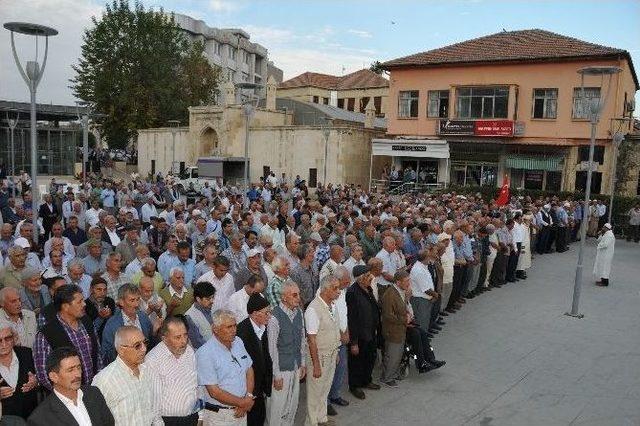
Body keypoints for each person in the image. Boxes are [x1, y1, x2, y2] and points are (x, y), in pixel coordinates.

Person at [34, 285, 102, 390]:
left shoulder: (87, 322)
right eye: (79, 302)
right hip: (67, 397)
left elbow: (97, 355)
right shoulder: (46, 334)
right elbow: (43, 373)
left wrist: (98, 384)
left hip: (92, 390)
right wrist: (66, 394)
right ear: (65, 306)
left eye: (83, 300)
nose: (84, 304)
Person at [195, 309, 255, 425]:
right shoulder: (205, 353)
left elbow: (249, 369)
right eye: (229, 327)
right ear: (215, 329)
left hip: (241, 411)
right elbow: (214, 392)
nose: (234, 330)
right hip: (219, 416)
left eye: (234, 326)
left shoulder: (238, 342)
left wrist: (248, 396)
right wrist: (242, 403)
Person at [27, 347, 114, 426]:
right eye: (70, 370)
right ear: (54, 377)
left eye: (79, 367)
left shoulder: (93, 393)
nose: (78, 374)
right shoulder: (40, 418)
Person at [92, 326, 154, 425]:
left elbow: (153, 411)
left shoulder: (148, 370)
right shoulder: (105, 380)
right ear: (121, 350)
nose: (144, 349)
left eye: (145, 342)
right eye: (137, 345)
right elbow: (96, 419)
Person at [146, 317, 199, 426]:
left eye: (185, 335)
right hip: (168, 421)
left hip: (192, 417)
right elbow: (153, 400)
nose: (184, 341)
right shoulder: (153, 360)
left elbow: (195, 385)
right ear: (164, 338)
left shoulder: (189, 351)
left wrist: (200, 416)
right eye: (178, 337)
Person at [267, 281, 306, 426]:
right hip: (281, 368)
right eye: (294, 295)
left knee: (292, 403)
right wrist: (276, 375)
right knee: (278, 406)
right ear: (284, 297)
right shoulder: (274, 317)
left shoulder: (299, 313)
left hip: (295, 365)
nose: (298, 298)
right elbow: (272, 349)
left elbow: (302, 339)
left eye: (299, 294)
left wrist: (303, 363)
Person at [305, 275, 341, 426]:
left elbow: (334, 329)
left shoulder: (332, 305)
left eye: (339, 287)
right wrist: (316, 364)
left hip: (331, 354)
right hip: (319, 357)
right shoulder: (313, 309)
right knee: (315, 393)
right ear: (325, 290)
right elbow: (311, 339)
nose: (338, 291)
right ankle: (311, 422)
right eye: (335, 288)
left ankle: (321, 418)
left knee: (325, 389)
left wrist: (337, 351)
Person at [236, 294, 273, 426]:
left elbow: (266, 356)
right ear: (255, 313)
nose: (269, 315)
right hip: (249, 390)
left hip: (260, 387)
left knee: (260, 418)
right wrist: (249, 393)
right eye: (266, 312)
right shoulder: (241, 332)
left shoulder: (263, 327)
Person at [346, 264, 381, 400]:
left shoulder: (368, 288)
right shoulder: (352, 293)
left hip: (370, 332)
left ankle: (366, 380)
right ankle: (355, 386)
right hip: (359, 335)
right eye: (367, 276)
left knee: (369, 358)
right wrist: (353, 342)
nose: (370, 278)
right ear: (360, 279)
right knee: (356, 362)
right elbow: (352, 319)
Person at [100, 283, 154, 364]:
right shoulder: (111, 325)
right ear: (121, 302)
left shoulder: (144, 317)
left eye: (138, 299)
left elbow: (150, 343)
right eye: (132, 300)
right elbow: (106, 354)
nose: (136, 304)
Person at [0, 320, 38, 419]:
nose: (3, 344)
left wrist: (36, 381)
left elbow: (47, 377)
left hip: (32, 419)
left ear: (14, 338)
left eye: (7, 338)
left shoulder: (28, 354)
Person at [380, 270, 410, 387]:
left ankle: (393, 374)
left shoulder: (400, 291)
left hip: (399, 329)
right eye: (406, 281)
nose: (408, 283)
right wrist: (404, 319)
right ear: (398, 282)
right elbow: (388, 315)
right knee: (392, 355)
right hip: (392, 331)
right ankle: (387, 378)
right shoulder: (390, 295)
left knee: (397, 354)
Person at [184, 281, 216, 349]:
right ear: (198, 299)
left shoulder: (212, 307)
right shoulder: (189, 317)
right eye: (208, 299)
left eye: (213, 297)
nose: (212, 301)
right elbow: (197, 342)